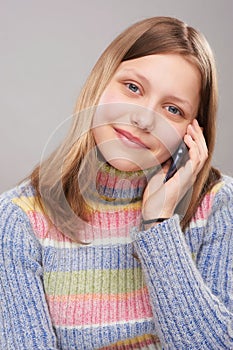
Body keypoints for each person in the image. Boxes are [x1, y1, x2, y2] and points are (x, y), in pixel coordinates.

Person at [0, 16, 233, 350]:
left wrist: (159, 223)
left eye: (172, 109)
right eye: (133, 88)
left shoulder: (218, 205)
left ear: (192, 131)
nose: (142, 119)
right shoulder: (18, 217)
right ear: (100, 83)